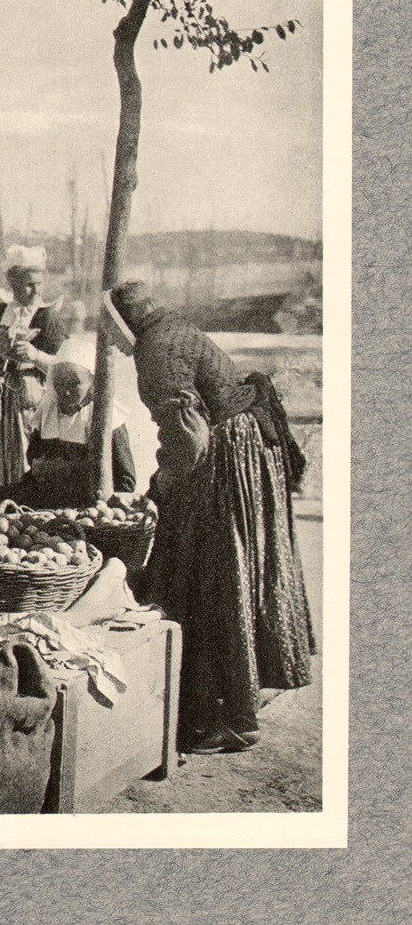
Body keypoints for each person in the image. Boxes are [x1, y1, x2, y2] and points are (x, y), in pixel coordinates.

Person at [102, 280, 315, 753]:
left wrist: (159, 489)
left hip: (223, 457)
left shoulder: (155, 350)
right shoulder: (173, 327)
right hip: (247, 449)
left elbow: (188, 435)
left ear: (125, 322)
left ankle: (232, 717)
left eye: (112, 333)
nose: (113, 344)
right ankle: (240, 696)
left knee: (216, 575)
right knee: (238, 567)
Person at [0, 245, 66, 490]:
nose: (35, 291)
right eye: (28, 284)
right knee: (1, 455)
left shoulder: (47, 318)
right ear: (12, 282)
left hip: (33, 398)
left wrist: (36, 355)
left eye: (39, 284)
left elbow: (67, 366)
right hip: (1, 400)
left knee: (31, 454)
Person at [19, 339, 137, 509]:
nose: (65, 391)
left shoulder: (107, 419)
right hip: (48, 506)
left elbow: (126, 481)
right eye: (59, 382)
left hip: (89, 508)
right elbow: (33, 460)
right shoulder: (48, 413)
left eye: (74, 384)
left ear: (92, 382)